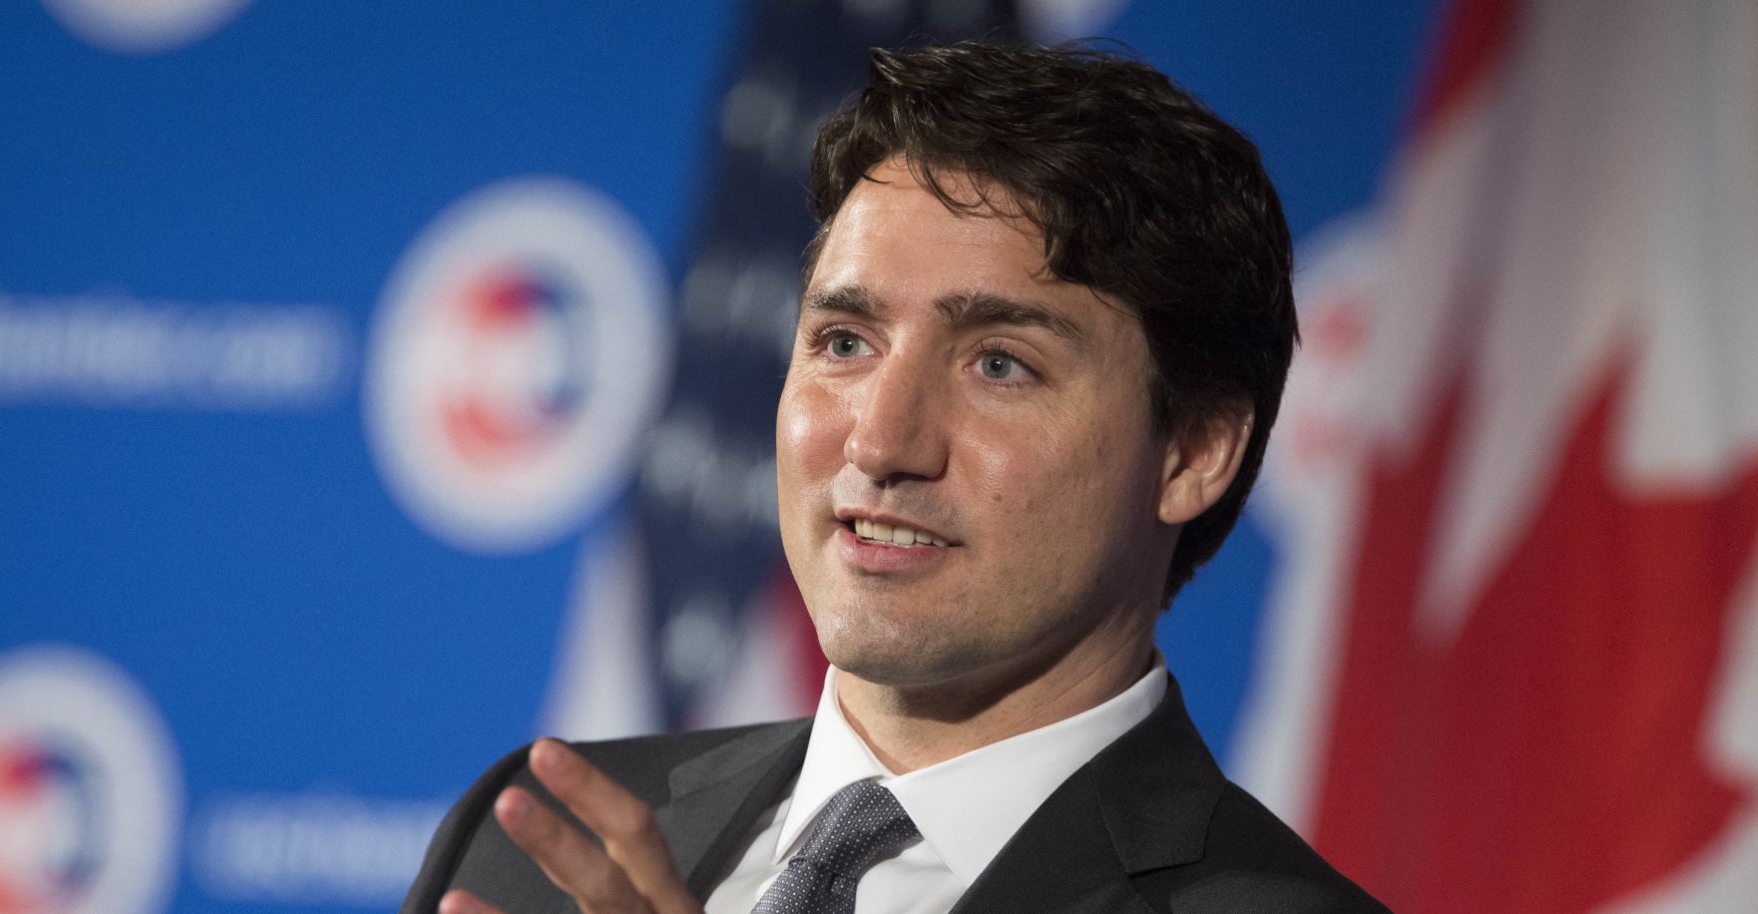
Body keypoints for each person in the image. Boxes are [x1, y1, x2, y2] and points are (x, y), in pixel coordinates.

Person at [404, 40, 1390, 914]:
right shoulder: (537, 841)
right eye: (844, 339)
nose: (880, 441)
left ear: (1192, 452)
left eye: (1001, 362)